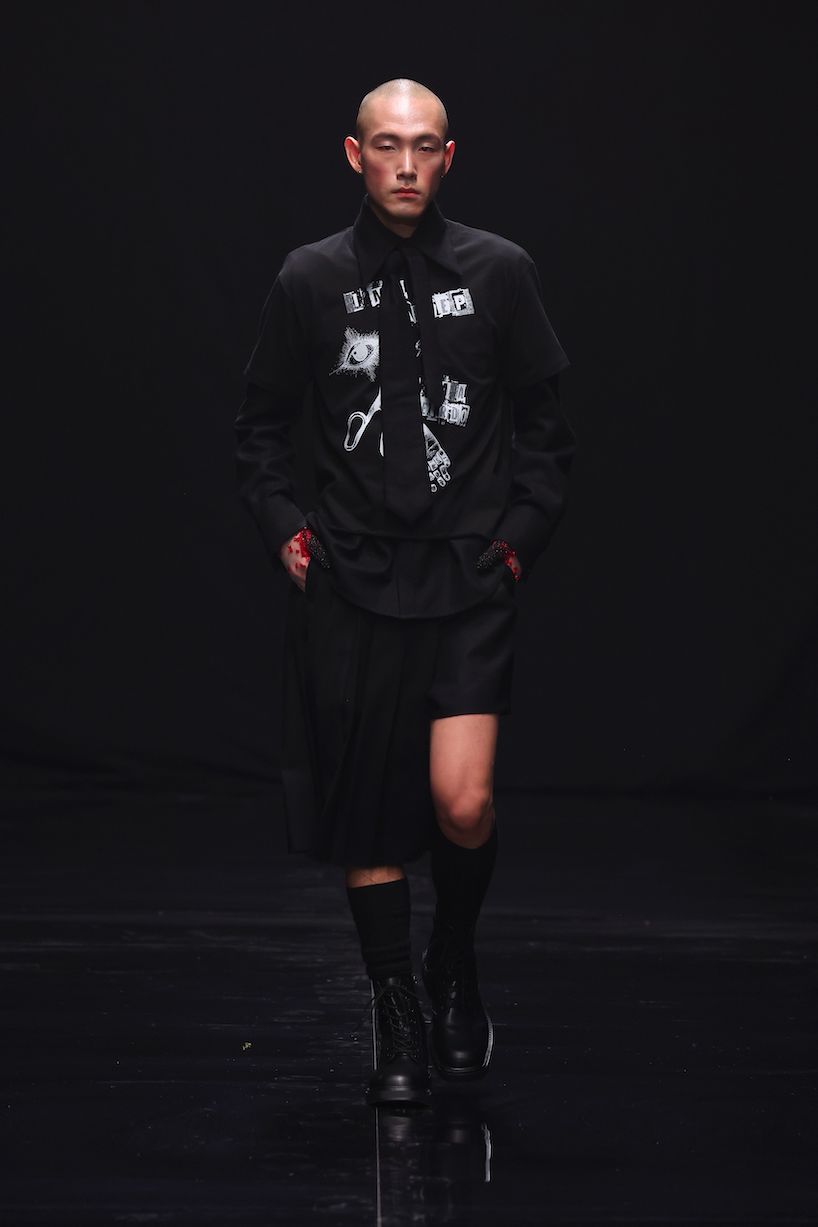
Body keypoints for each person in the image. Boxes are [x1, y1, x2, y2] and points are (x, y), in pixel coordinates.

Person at [234, 78, 575, 1107]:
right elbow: (259, 429)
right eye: (387, 144)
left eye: (424, 146)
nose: (405, 165)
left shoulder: (499, 271)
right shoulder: (309, 278)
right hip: (351, 580)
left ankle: (452, 959)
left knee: (461, 801)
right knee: (368, 817)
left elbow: (547, 429)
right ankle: (394, 1002)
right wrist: (288, 535)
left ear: (448, 157)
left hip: (466, 577)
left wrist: (515, 544)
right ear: (355, 155)